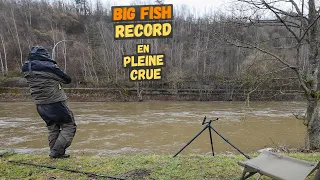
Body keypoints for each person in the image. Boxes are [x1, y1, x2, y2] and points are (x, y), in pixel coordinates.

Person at [22, 46, 77, 158]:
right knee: (69, 126)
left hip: (40, 104)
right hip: (56, 102)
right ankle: (56, 152)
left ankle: (55, 153)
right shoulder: (50, 67)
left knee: (52, 127)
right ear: (45, 56)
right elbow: (67, 79)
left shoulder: (26, 68)